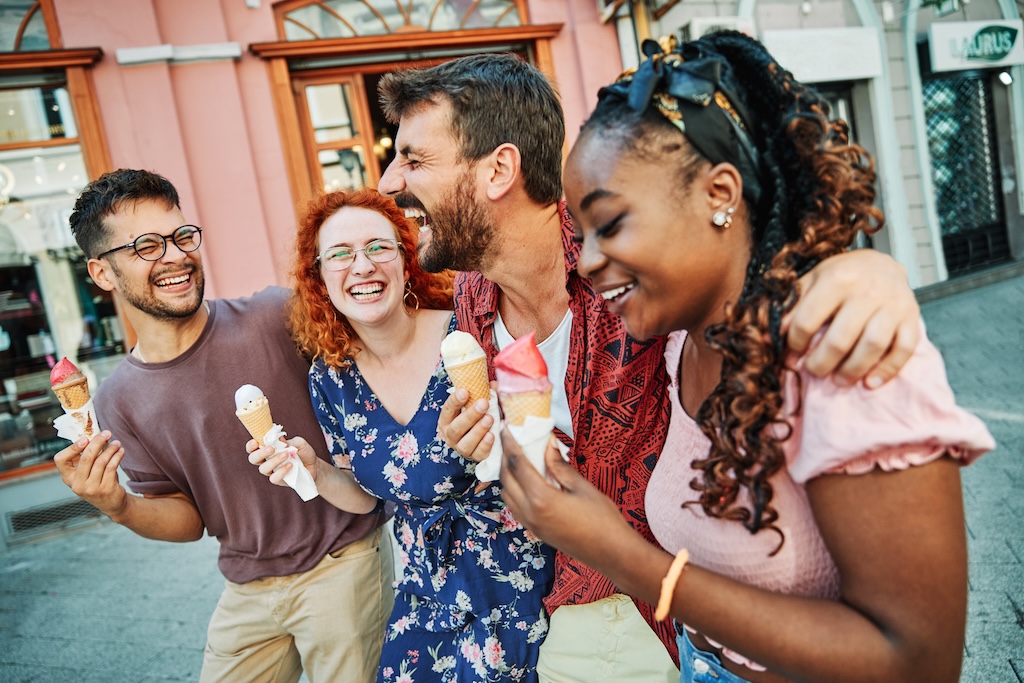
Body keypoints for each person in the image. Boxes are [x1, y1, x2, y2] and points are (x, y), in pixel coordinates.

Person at [375, 53, 925, 680]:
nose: (392, 180)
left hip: (660, 617)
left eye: (414, 159)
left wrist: (869, 273)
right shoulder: (474, 296)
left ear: (500, 167)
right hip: (572, 609)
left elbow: (742, 276)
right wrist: (483, 441)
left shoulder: (639, 280)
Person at [499, 33, 995, 683]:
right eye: (581, 232)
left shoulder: (845, 353)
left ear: (719, 193)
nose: (586, 261)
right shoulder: (678, 338)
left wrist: (621, 556)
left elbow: (918, 662)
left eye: (610, 223)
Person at [53, 169, 394, 683]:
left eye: (181, 236)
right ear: (102, 274)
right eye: (146, 246)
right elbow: (187, 519)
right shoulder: (117, 400)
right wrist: (119, 506)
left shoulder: (275, 316)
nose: (174, 255)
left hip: (343, 563)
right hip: (247, 586)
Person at [248, 189, 554, 683]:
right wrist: (315, 471)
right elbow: (367, 501)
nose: (362, 266)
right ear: (320, 278)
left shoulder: (470, 330)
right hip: (425, 592)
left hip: (520, 573)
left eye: (378, 247)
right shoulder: (331, 378)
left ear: (406, 259)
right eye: (341, 255)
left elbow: (545, 433)